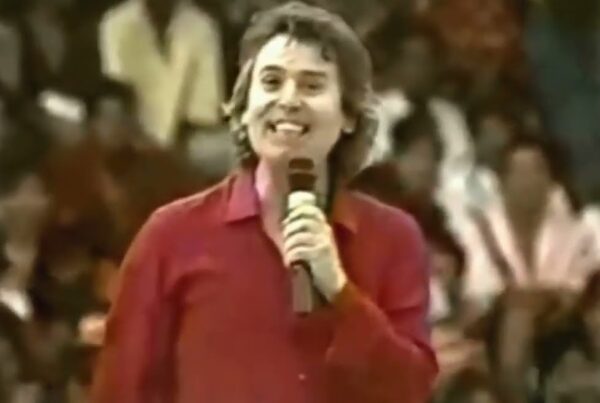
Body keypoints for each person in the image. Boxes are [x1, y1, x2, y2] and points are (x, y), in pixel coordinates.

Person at [91, 3, 437, 403]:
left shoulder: (392, 238)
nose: (288, 100)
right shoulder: (171, 236)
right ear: (243, 107)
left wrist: (341, 295)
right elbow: (121, 389)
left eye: (311, 85)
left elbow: (410, 390)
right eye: (271, 82)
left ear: (348, 115)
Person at [99, 0, 225, 147]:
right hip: (130, 145)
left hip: (188, 147)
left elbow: (202, 114)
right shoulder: (115, 24)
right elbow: (118, 99)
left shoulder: (203, 28)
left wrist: (169, 154)